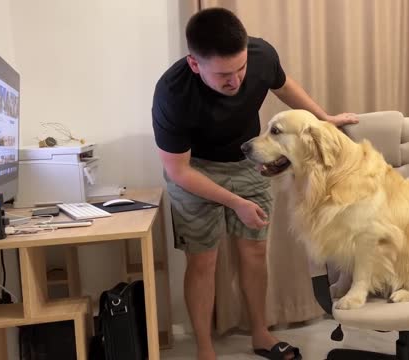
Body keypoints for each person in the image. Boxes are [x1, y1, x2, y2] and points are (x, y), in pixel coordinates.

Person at [151, 7, 357, 360]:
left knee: (255, 251)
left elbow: (284, 85)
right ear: (195, 64)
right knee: (203, 262)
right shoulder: (171, 94)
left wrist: (324, 119)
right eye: (224, 75)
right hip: (196, 170)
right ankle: (205, 351)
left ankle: (261, 335)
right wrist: (235, 202)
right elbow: (179, 171)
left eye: (241, 69)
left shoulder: (260, 54)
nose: (237, 81)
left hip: (248, 160)